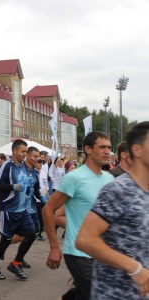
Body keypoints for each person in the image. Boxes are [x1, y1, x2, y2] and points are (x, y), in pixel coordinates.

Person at [76, 122, 149, 300]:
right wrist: (133, 267)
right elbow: (85, 239)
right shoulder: (119, 190)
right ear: (137, 150)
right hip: (115, 293)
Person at [42, 131, 114, 300]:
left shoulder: (109, 179)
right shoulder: (74, 178)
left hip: (102, 252)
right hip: (78, 252)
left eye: (109, 148)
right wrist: (53, 246)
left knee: (84, 295)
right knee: (98, 295)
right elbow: (48, 210)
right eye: (102, 147)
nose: (107, 152)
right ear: (88, 149)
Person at [0, 139, 35, 280]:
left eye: (26, 151)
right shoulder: (7, 165)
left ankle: (16, 263)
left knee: (31, 234)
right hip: (8, 209)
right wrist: (13, 187)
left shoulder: (22, 165)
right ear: (15, 151)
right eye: (23, 151)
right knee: (5, 241)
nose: (25, 154)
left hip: (22, 209)